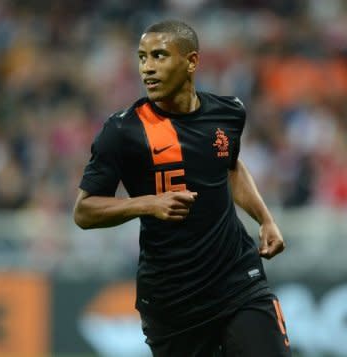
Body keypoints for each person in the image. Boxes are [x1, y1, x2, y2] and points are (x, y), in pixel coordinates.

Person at [74, 20, 291, 356]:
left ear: (191, 61)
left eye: (159, 56)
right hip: (173, 302)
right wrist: (149, 204)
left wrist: (265, 219)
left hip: (238, 282)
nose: (147, 67)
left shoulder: (229, 112)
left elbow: (231, 166)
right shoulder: (121, 131)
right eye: (142, 57)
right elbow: (84, 211)